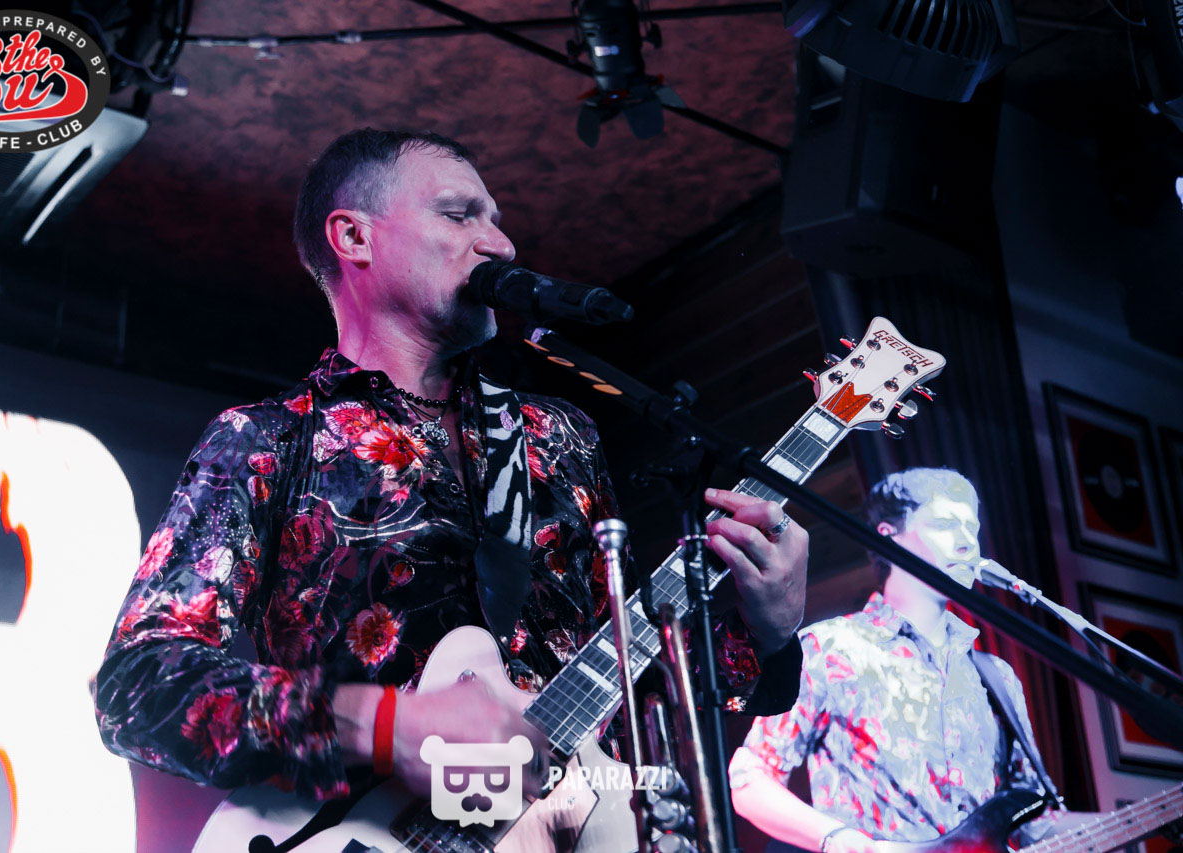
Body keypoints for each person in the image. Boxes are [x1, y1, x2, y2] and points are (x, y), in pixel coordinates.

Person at [92, 128, 809, 809]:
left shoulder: (560, 436)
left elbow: (625, 701)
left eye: (496, 220)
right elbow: (136, 687)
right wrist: (382, 724)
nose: (500, 243)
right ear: (354, 237)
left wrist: (767, 633)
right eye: (460, 214)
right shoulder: (268, 439)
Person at [729, 467, 1089, 853]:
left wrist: (1138, 819)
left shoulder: (996, 677)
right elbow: (751, 778)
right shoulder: (832, 647)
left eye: (972, 528)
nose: (967, 543)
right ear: (889, 536)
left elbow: (1035, 825)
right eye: (945, 525)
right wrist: (845, 841)